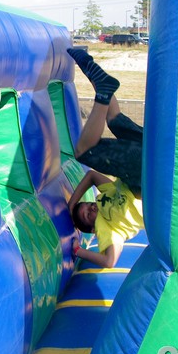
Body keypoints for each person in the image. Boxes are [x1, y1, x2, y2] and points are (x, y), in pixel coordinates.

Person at [65, 47, 144, 269]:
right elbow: (109, 261)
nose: (91, 209)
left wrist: (72, 204)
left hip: (140, 163)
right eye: (88, 215)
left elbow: (90, 176)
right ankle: (102, 91)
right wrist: (79, 251)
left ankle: (90, 68)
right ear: (93, 228)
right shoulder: (108, 228)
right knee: (83, 152)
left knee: (114, 119)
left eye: (88, 205)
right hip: (145, 181)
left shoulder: (105, 197)